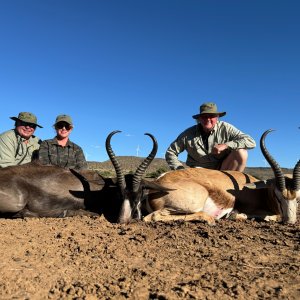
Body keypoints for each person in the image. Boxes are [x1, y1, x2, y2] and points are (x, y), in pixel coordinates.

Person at [165, 102, 256, 172]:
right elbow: (170, 152)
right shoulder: (187, 134)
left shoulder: (226, 128)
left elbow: (250, 141)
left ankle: (231, 187)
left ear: (217, 117)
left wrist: (226, 145)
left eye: (212, 116)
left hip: (222, 170)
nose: (208, 119)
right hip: (198, 171)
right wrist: (180, 170)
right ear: (199, 119)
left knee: (241, 152)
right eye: (204, 116)